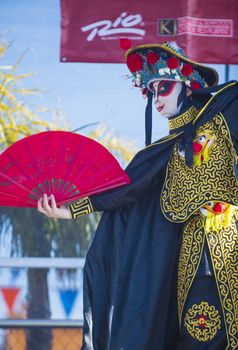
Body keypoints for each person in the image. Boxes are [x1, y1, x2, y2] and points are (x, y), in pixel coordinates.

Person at [38, 41, 238, 349]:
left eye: (164, 88)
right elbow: (123, 190)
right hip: (192, 264)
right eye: (152, 91)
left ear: (187, 87)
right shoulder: (162, 153)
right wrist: (70, 209)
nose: (157, 99)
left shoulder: (223, 117)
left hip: (232, 248)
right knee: (201, 336)